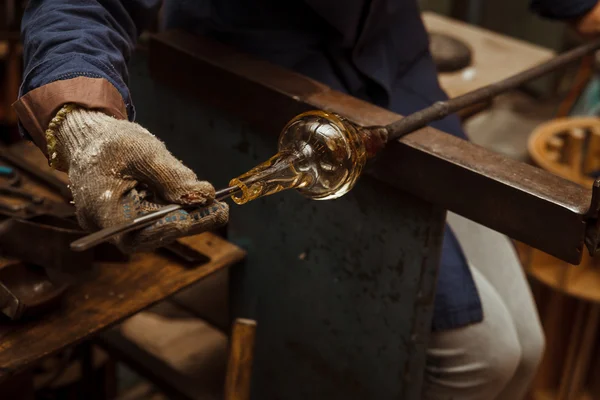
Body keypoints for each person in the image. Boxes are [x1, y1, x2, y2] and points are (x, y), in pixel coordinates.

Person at [12, 0, 600, 398]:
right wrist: (81, 114)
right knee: (481, 357)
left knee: (525, 347)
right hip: (267, 91)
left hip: (395, 76)